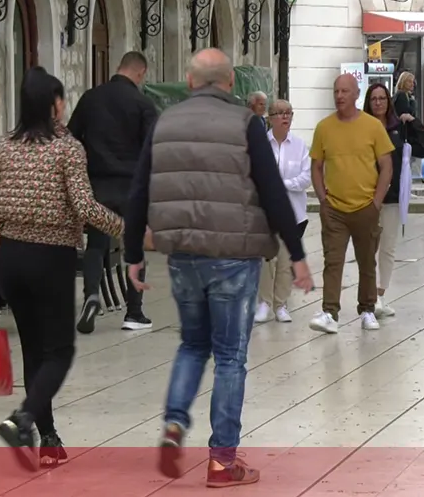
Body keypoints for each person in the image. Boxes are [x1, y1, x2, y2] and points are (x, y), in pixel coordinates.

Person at [122, 48, 313, 488]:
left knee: (192, 345)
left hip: (183, 254)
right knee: (230, 356)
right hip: (234, 256)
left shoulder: (163, 122)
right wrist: (297, 255)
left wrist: (134, 254)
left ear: (190, 83)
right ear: (230, 84)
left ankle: (174, 424)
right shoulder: (246, 124)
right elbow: (272, 192)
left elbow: (138, 191)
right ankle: (223, 460)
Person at [0, 67, 125, 471]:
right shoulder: (67, 148)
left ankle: (49, 439)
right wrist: (122, 226)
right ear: (53, 104)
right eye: (61, 99)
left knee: (33, 348)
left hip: (11, 259)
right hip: (51, 257)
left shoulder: (5, 147)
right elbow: (82, 205)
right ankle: (24, 418)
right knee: (59, 350)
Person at [68, 51, 158, 334]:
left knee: (96, 245)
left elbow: (71, 138)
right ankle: (134, 313)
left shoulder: (90, 99)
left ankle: (92, 294)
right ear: (140, 73)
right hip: (132, 186)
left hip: (98, 185)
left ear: (119, 67)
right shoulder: (143, 104)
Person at [308, 74, 394, 334]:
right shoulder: (324, 127)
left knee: (367, 261)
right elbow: (316, 166)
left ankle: (367, 310)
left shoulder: (372, 126)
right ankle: (329, 312)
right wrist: (323, 199)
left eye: (345, 91)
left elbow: (386, 166)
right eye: (336, 91)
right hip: (334, 208)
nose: (339, 96)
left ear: (357, 95)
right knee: (332, 261)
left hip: (365, 206)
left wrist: (376, 202)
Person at [255, 98, 311, 324]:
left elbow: (305, 177)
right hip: (266, 213)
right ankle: (264, 303)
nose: (285, 117)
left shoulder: (299, 145)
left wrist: (281, 185)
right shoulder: (260, 144)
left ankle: (281, 304)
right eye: (280, 113)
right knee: (267, 260)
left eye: (289, 113)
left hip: (292, 212)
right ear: (270, 118)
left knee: (287, 261)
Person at [362, 83, 408, 318]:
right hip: (367, 195)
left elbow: (416, 149)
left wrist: (413, 121)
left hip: (392, 197)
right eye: (374, 99)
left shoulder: (397, 127)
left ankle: (380, 295)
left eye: (382, 98)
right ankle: (368, 296)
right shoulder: (361, 128)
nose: (378, 102)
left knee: (388, 247)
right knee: (369, 247)